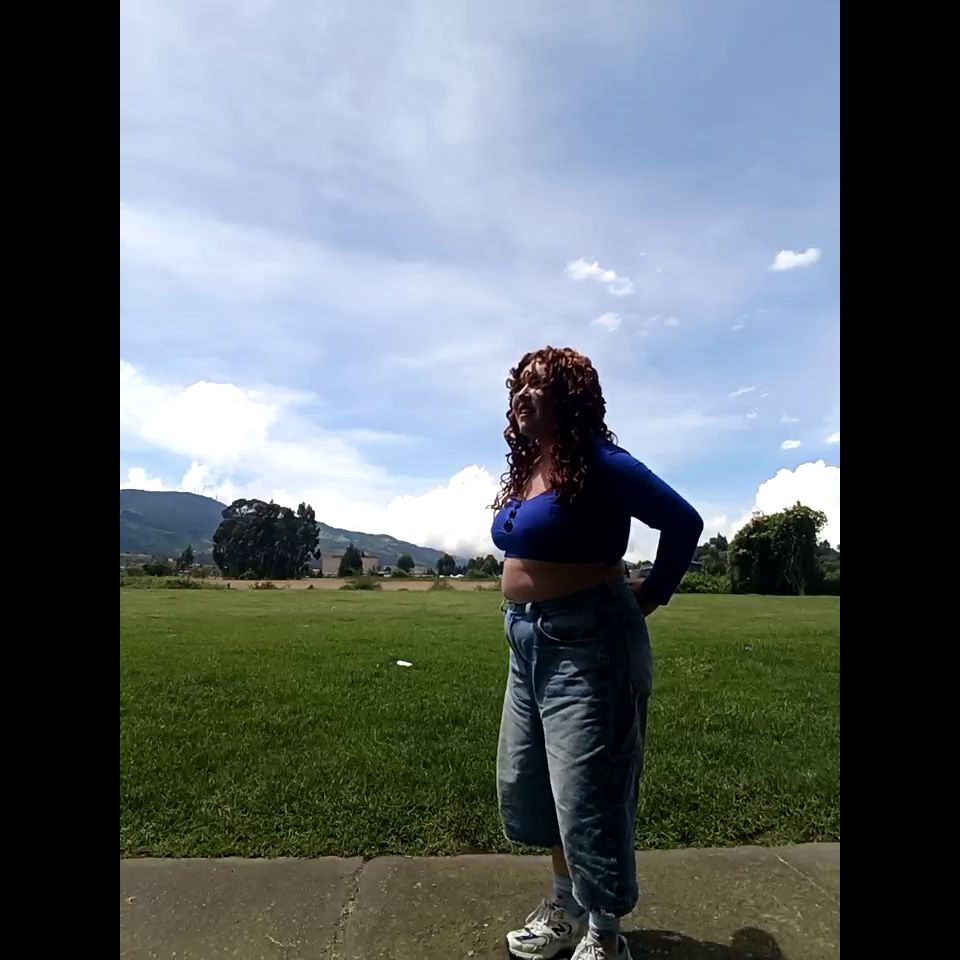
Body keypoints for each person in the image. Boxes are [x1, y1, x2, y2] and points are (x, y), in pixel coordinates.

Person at [492, 346, 703, 960]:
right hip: (528, 643)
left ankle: (605, 935)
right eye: (519, 385)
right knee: (534, 783)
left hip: (590, 644)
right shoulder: (534, 467)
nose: (523, 395)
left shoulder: (602, 463)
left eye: (539, 385)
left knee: (590, 793)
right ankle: (566, 905)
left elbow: (683, 522)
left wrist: (653, 593)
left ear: (571, 398)